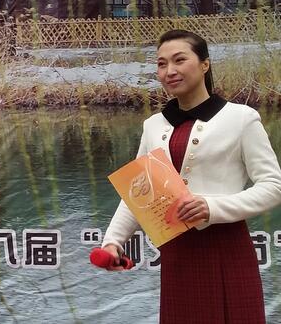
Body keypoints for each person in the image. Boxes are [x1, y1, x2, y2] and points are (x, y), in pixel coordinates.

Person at [98, 30, 281, 323]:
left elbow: (273, 186)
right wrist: (113, 241)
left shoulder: (241, 118)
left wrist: (212, 207)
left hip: (226, 248)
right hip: (177, 253)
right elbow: (139, 192)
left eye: (179, 60)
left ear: (204, 64)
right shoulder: (153, 126)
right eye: (161, 64)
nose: (169, 71)